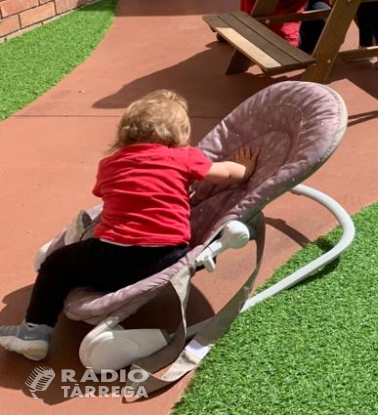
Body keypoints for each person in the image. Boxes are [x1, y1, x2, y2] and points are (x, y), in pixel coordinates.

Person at [0, 90, 258, 361]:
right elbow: (227, 174)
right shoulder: (183, 157)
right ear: (178, 135)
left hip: (109, 259)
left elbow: (101, 192)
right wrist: (245, 168)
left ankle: (35, 333)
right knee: (105, 249)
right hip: (167, 258)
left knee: (56, 264)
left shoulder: (110, 164)